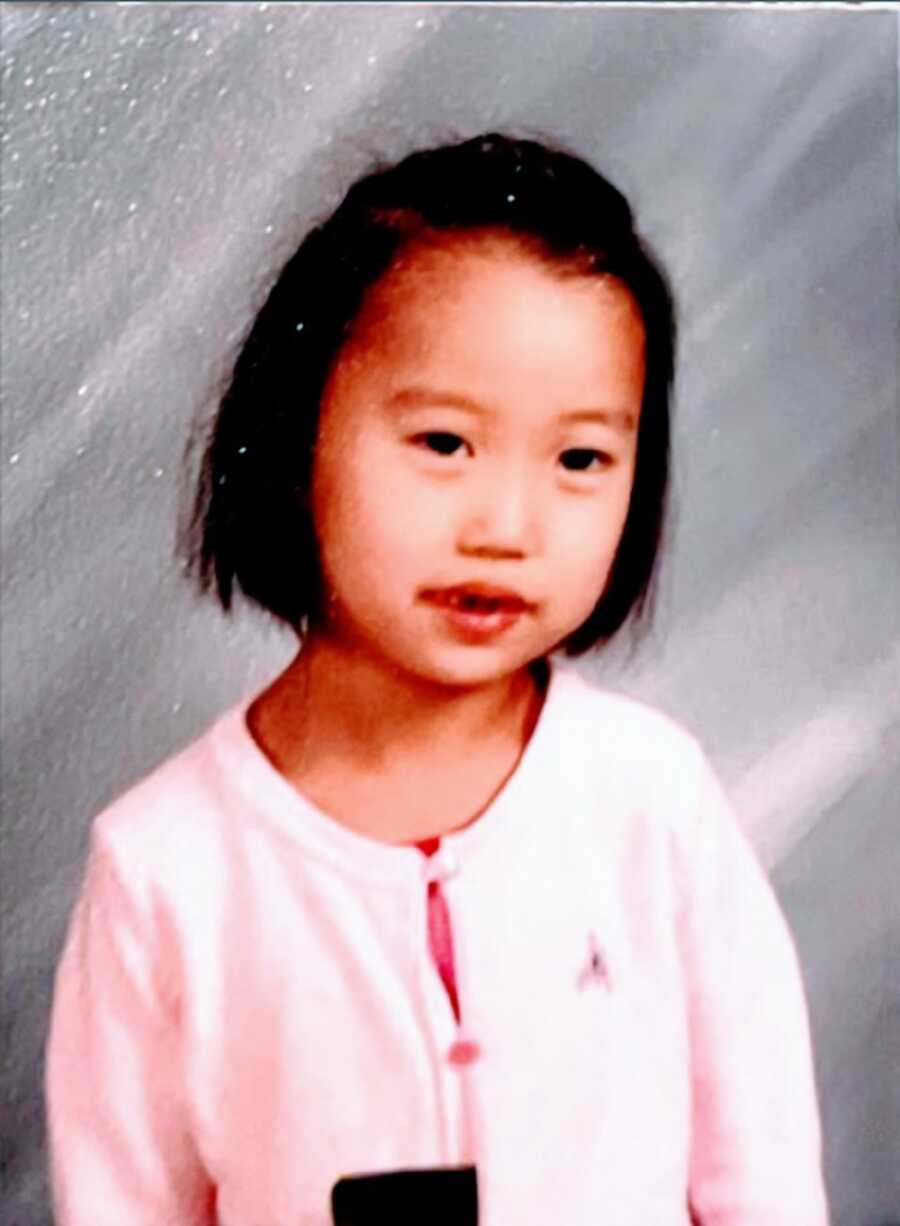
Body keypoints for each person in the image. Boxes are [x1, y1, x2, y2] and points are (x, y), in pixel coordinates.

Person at [45, 132, 829, 1225]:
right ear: (294, 432)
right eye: (445, 442)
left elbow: (765, 1177)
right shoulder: (165, 868)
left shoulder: (652, 799)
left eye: (580, 459)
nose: (506, 526)